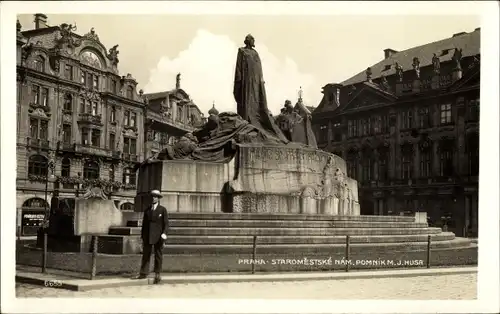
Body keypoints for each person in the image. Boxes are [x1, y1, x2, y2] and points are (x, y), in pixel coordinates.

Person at [233, 34, 289, 144]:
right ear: (248, 41)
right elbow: (238, 68)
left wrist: (261, 81)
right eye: (253, 39)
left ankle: (257, 123)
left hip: (256, 82)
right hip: (246, 82)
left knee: (258, 102)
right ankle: (247, 121)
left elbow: (260, 69)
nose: (254, 41)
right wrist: (239, 80)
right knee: (247, 102)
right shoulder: (242, 51)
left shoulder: (255, 53)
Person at [136, 190, 169, 284]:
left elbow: (166, 224)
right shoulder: (147, 210)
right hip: (148, 236)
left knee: (158, 255)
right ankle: (143, 272)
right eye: (152, 196)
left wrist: (164, 233)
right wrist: (142, 236)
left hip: (159, 236)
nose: (153, 198)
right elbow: (144, 225)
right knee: (146, 255)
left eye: (155, 196)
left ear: (158, 198)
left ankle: (157, 274)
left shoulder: (162, 209)